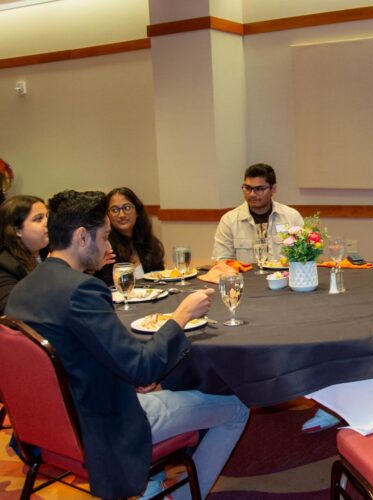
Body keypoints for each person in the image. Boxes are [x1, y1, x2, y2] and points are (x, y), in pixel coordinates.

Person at [6, 190, 249, 499]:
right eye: (105, 237)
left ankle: (152, 483)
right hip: (102, 424)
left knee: (168, 389)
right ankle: (185, 495)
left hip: (46, 425)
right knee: (235, 406)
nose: (109, 246)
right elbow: (143, 369)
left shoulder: (24, 288)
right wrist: (181, 315)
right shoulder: (83, 290)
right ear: (82, 237)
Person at [212, 163, 303, 263]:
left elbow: (305, 257)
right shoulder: (229, 220)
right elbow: (221, 260)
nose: (252, 194)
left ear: (273, 189)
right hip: (245, 278)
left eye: (259, 189)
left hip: (282, 277)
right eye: (247, 188)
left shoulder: (291, 216)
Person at [95, 187, 165, 286]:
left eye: (127, 208)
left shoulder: (149, 242)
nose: (122, 215)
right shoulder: (106, 248)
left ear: (137, 212)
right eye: (115, 210)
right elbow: (105, 286)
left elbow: (160, 279)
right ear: (108, 215)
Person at [0, 195, 48, 313]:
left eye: (48, 216)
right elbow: (10, 310)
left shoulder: (50, 251)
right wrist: (49, 272)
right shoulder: (4, 265)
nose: (47, 222)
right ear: (17, 230)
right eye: (38, 219)